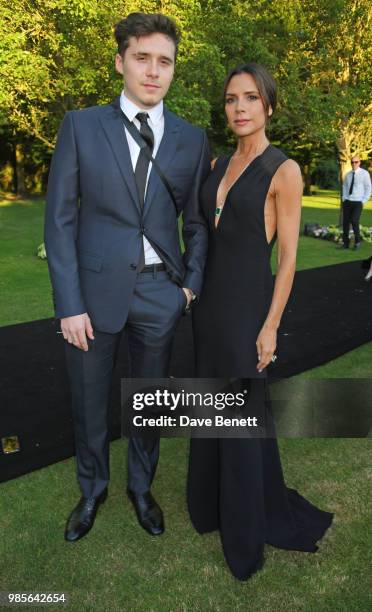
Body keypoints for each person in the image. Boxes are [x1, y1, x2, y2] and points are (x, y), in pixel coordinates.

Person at [45, 12, 210, 543]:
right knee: (89, 403)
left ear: (173, 70)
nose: (153, 71)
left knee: (150, 402)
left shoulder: (191, 139)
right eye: (142, 58)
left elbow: (198, 223)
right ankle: (92, 491)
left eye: (165, 61)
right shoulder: (81, 125)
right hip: (91, 296)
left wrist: (189, 287)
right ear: (120, 62)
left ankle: (142, 488)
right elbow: (61, 219)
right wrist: (69, 303)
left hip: (161, 293)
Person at [187, 63, 333, 580]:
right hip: (207, 309)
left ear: (269, 105)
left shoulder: (284, 169)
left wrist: (270, 325)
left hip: (248, 311)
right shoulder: (218, 161)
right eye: (231, 99)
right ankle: (208, 507)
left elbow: (289, 259)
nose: (240, 108)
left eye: (250, 98)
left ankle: (246, 537)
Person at [340, 155, 371, 250]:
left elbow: (369, 188)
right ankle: (345, 243)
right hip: (348, 201)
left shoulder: (364, 174)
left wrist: (364, 200)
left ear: (359, 162)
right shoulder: (348, 174)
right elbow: (345, 187)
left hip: (358, 202)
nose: (354, 164)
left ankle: (357, 242)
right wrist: (344, 198)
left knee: (354, 221)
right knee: (345, 223)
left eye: (356, 162)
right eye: (352, 162)